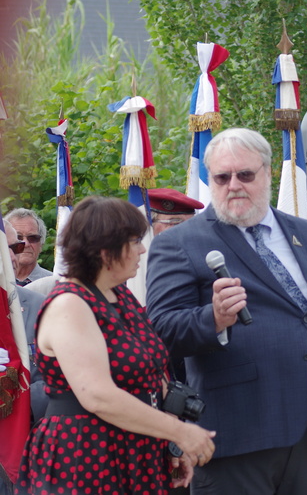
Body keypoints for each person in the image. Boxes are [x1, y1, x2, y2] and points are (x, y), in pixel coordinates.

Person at [146, 127, 307, 495]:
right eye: (222, 177)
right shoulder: (179, 243)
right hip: (237, 432)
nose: (233, 184)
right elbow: (159, 330)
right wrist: (214, 319)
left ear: (267, 173)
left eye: (245, 175)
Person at [14, 196, 216, 495]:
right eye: (135, 241)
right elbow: (98, 396)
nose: (143, 249)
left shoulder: (121, 296)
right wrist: (181, 433)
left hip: (135, 450)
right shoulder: (70, 304)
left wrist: (170, 443)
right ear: (105, 249)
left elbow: (153, 373)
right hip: (85, 456)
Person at [128, 188, 205, 305]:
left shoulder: (200, 266)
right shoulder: (122, 272)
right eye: (174, 223)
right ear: (149, 225)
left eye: (190, 224)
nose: (186, 231)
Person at [3, 218, 46, 423]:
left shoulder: (40, 306)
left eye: (16, 248)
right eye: (4, 247)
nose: (14, 257)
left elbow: (58, 376)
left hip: (27, 431)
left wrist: (19, 403)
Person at [7, 209, 51, 286]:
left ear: (41, 244)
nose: (26, 244)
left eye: (33, 238)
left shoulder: (55, 284)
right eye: (18, 237)